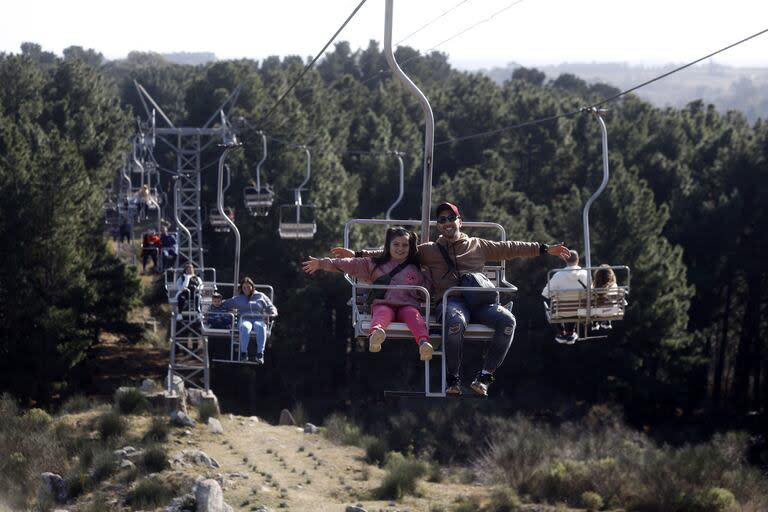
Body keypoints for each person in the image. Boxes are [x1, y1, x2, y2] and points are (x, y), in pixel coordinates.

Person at [333, 202, 571, 396]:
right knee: (455, 321)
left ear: (460, 221)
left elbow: (510, 247)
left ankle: (484, 377)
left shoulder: (479, 245)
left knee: (508, 321)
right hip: (453, 301)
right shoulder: (429, 250)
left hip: (480, 302)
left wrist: (544, 248)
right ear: (439, 226)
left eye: (450, 218)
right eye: (442, 220)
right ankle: (453, 378)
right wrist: (357, 254)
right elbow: (394, 254)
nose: (446, 223)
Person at [303, 226, 434, 361]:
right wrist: (322, 263)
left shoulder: (415, 268)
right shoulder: (375, 263)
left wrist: (427, 273)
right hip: (384, 303)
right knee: (382, 313)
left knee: (414, 316)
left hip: (407, 305)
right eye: (396, 244)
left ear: (410, 247)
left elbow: (425, 291)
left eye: (405, 245)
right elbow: (349, 264)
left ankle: (423, 343)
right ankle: (376, 335)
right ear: (388, 245)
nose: (400, 248)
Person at [221, 277, 277, 364]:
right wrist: (216, 304)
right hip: (244, 319)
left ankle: (260, 353)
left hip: (258, 318)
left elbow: (270, 306)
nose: (246, 289)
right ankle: (244, 353)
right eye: (244, 287)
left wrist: (273, 312)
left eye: (248, 287)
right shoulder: (238, 298)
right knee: (245, 327)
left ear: (252, 286)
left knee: (260, 327)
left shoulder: (260, 296)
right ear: (242, 288)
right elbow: (225, 304)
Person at [541, 250, 588, 344]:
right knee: (576, 304)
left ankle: (562, 331)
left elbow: (545, 293)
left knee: (554, 304)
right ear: (578, 259)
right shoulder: (586, 274)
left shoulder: (558, 275)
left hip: (561, 312)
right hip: (580, 311)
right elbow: (591, 292)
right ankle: (570, 332)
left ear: (565, 260)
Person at [592, 264, 618, 330]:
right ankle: (607, 321)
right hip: (611, 311)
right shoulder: (614, 285)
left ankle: (595, 322)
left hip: (597, 312)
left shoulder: (594, 286)